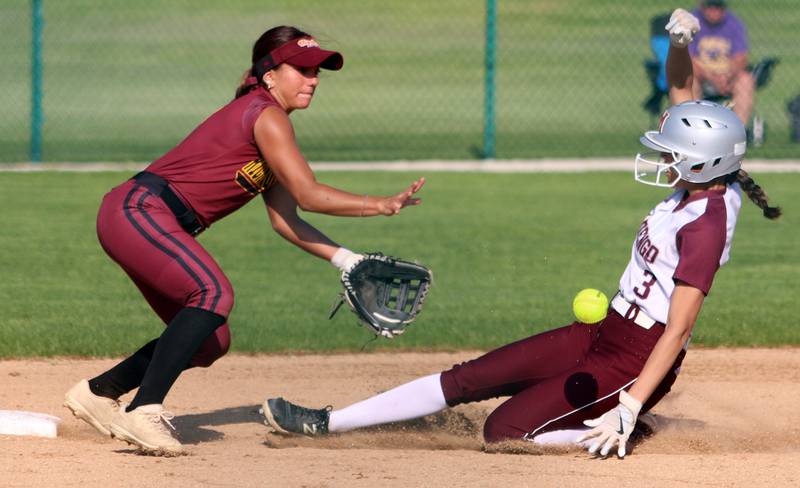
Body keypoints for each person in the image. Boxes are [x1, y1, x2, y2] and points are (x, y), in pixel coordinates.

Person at [261, 9, 782, 458]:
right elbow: (681, 89)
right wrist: (680, 43)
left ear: (701, 163)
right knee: (467, 378)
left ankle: (624, 432)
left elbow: (679, 331)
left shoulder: (707, 224)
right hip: (603, 331)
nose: (663, 157)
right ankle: (326, 422)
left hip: (637, 357)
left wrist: (629, 405)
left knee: (502, 431)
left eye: (673, 153)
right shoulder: (703, 183)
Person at [63, 25, 425, 456]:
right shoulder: (265, 114)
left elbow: (285, 218)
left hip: (146, 218)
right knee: (213, 293)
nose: (313, 79)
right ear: (270, 74)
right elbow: (309, 195)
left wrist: (344, 258)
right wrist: (379, 204)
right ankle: (143, 410)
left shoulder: (269, 120)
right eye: (303, 68)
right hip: (138, 211)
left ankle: (100, 393)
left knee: (209, 340)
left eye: (318, 71)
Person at [689, 0, 754, 125]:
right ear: (702, 7)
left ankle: (737, 132)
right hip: (701, 76)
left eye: (719, 7)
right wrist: (712, 77)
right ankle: (695, 131)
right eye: (710, 6)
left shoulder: (734, 23)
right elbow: (687, 60)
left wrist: (728, 76)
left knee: (746, 80)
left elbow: (741, 58)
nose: (715, 11)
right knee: (688, 79)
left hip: (727, 77)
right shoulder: (691, 23)